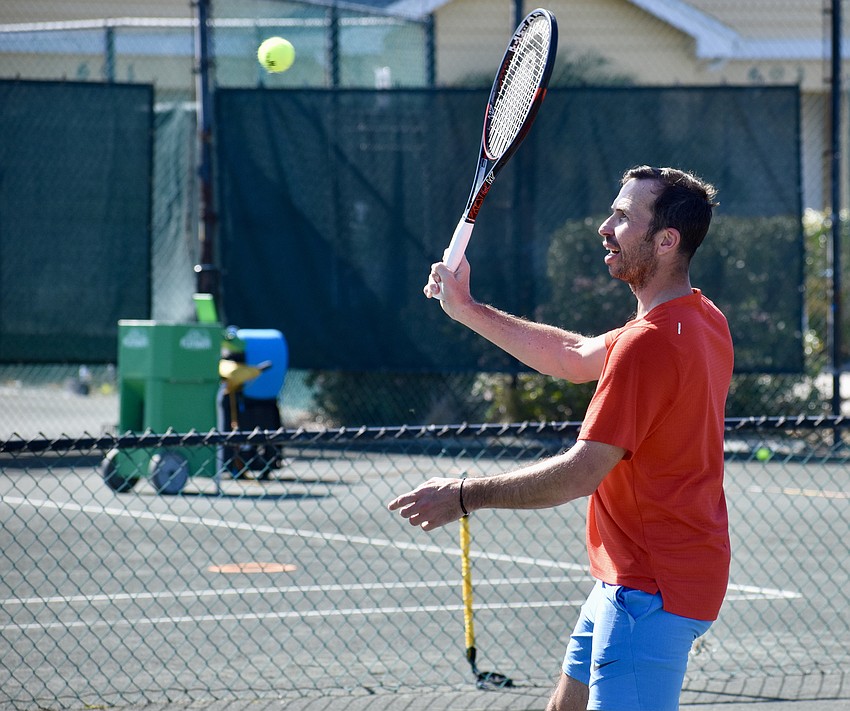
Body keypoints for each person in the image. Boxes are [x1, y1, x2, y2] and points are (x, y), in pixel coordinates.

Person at [387, 165, 733, 711]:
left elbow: (580, 472)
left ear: (666, 240)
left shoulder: (652, 344)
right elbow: (572, 358)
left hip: (651, 588)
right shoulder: (701, 318)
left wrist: (463, 495)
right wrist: (468, 309)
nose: (604, 226)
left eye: (622, 217)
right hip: (634, 578)